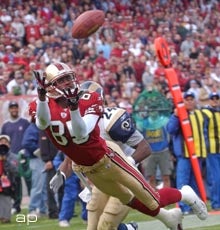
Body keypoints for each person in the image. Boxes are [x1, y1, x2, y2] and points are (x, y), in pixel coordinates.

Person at [32, 62, 207, 230]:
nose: (69, 85)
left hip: (110, 160)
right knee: (104, 217)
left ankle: (184, 195)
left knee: (145, 202)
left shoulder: (98, 105)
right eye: (62, 80)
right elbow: (71, 147)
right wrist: (65, 173)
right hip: (89, 168)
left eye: (69, 78)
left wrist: (128, 165)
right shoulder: (44, 106)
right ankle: (166, 218)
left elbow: (141, 146)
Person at [166, 91, 207, 215]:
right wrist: (175, 116)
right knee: (183, 183)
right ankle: (184, 208)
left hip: (198, 153)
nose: (189, 101)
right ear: (183, 101)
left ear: (195, 101)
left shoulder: (199, 114)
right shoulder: (179, 114)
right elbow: (170, 129)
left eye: (191, 99)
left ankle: (196, 207)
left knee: (195, 182)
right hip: (184, 154)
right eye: (187, 99)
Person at [1, 101, 30, 214]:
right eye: (12, 108)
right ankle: (16, 205)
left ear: (18, 109)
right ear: (9, 110)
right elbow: (3, 141)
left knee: (29, 180)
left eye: (15, 107)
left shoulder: (24, 122)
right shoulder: (6, 125)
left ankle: (34, 205)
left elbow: (28, 137)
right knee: (15, 182)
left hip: (24, 156)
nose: (14, 110)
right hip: (11, 158)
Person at [21, 108, 47, 217]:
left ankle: (42, 209)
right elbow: (26, 142)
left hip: (41, 159)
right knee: (38, 185)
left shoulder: (40, 127)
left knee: (44, 185)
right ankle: (32, 208)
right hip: (36, 159)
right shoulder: (33, 127)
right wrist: (39, 150)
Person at [53, 151, 87, 227]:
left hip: (82, 169)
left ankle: (87, 217)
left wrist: (85, 176)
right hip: (70, 170)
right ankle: (64, 218)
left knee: (86, 193)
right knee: (70, 195)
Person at [201, 92, 220, 210]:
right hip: (212, 150)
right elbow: (203, 132)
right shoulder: (206, 113)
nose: (215, 100)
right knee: (215, 177)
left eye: (217, 98)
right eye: (212, 99)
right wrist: (205, 146)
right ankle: (216, 203)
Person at [0, 135, 19, 223]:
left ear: (9, 144)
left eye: (5, 142)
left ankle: (6, 217)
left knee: (6, 198)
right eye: (1, 142)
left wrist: (5, 160)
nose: (3, 144)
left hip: (8, 182)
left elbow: (15, 170)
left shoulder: (13, 156)